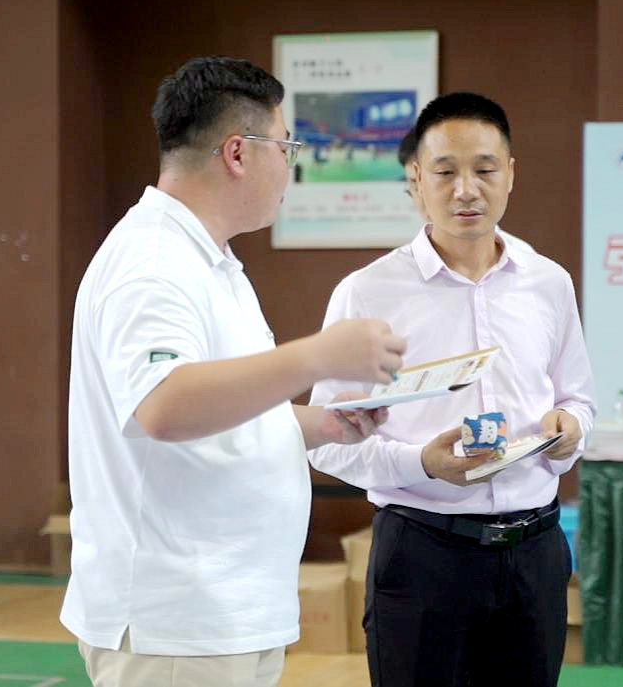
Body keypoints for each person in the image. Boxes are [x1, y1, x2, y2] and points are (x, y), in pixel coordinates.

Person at [61, 55, 405, 687]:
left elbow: (221, 408)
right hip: (176, 621)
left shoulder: (210, 260)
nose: (290, 166)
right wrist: (320, 355)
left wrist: (321, 425)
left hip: (227, 612)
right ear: (238, 153)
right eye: (286, 147)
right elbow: (164, 405)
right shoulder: (153, 263)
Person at [310, 92, 596, 687]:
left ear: (510, 174)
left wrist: (571, 430)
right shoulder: (368, 292)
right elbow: (327, 441)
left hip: (534, 552)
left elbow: (577, 400)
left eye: (485, 170)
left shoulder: (548, 282)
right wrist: (422, 463)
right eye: (445, 172)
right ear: (415, 178)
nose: (467, 189)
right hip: (423, 552)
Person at [397, 126, 534, 253]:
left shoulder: (521, 256)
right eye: (415, 184)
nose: (424, 195)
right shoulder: (399, 262)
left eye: (445, 173)